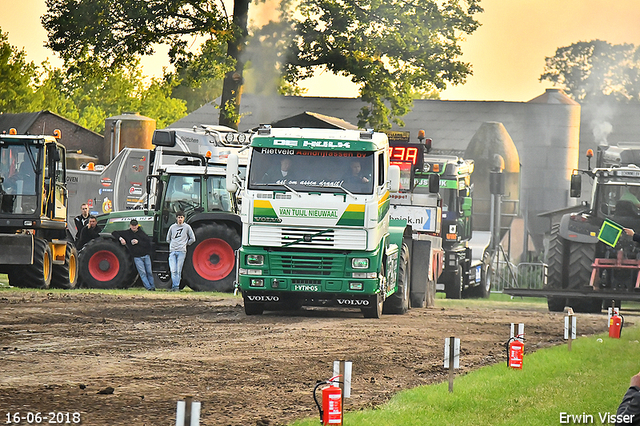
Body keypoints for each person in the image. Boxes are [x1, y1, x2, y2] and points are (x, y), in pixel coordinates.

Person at [114, 219, 156, 291]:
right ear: (130, 226)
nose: (134, 227)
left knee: (149, 272)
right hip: (137, 257)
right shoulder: (127, 233)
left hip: (145, 256)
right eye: (132, 225)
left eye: (135, 225)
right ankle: (148, 288)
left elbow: (148, 243)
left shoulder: (142, 233)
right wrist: (121, 239)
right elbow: (114, 233)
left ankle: (153, 287)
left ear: (137, 226)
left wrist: (138, 242)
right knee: (142, 272)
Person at [166, 211, 196, 291]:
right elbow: (168, 239)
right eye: (179, 217)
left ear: (184, 218)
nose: (180, 219)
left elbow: (193, 238)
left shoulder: (187, 227)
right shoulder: (172, 227)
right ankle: (175, 286)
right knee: (173, 270)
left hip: (181, 251)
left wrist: (185, 244)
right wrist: (173, 245)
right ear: (176, 218)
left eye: (181, 217)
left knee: (178, 270)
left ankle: (175, 287)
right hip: (173, 251)